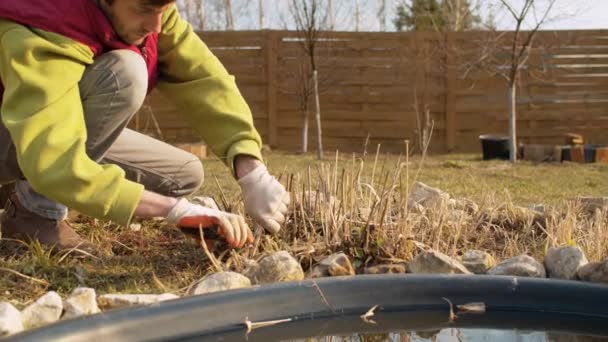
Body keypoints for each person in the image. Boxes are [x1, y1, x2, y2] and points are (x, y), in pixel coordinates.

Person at [0, 0, 289, 251]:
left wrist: (251, 170)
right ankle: (35, 211)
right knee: (126, 73)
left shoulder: (152, 16)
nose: (155, 26)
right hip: (26, 134)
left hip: (52, 128)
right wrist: (172, 210)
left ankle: (31, 188)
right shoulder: (43, 22)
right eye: (145, 9)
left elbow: (204, 80)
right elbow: (55, 160)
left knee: (182, 175)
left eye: (163, 10)